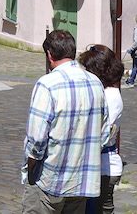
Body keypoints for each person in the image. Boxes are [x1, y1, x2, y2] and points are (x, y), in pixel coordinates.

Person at [22, 30, 108, 214]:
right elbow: (105, 131)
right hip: (81, 181)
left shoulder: (47, 84)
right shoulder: (95, 83)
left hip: (50, 179)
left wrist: (30, 169)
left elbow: (37, 139)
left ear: (49, 54)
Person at [78, 45, 124, 214]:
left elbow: (99, 134)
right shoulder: (102, 91)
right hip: (96, 166)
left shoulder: (111, 96)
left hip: (104, 168)